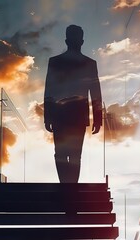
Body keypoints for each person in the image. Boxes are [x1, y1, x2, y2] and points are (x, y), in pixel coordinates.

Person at [44, 25, 102, 183]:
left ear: (66, 40)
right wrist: (97, 119)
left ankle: (67, 187)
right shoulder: (89, 64)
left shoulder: (55, 62)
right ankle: (70, 189)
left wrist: (48, 116)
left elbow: (49, 91)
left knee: (63, 154)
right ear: (81, 42)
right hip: (74, 116)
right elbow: (95, 93)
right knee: (73, 154)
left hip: (61, 116)